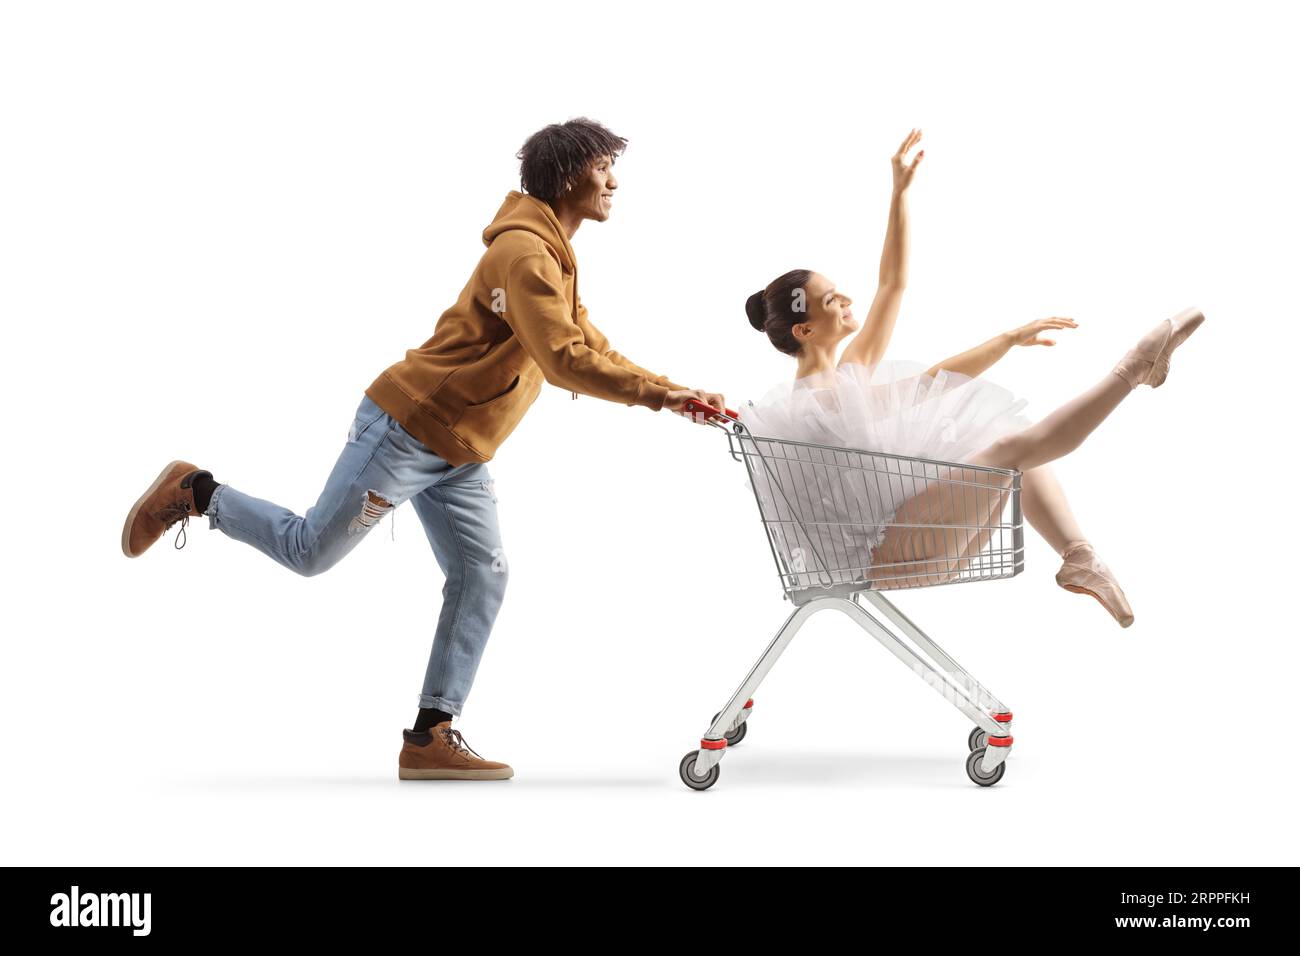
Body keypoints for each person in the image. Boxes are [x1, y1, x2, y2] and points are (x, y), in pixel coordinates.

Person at [120, 117, 727, 780]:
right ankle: (198, 492)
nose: (614, 180)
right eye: (604, 166)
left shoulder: (552, 255)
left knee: (482, 574)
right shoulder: (527, 256)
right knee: (308, 552)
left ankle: (430, 735)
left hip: (461, 447)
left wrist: (673, 390)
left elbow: (587, 342)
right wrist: (661, 399)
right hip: (408, 432)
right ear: (568, 175)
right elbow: (563, 360)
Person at [740, 128, 1203, 625]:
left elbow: (892, 286)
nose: (848, 301)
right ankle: (1133, 370)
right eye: (833, 301)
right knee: (1008, 452)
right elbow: (928, 383)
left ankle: (1079, 555)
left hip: (917, 538)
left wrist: (899, 194)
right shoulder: (815, 402)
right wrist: (1006, 340)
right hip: (886, 556)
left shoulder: (847, 372)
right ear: (805, 329)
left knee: (1003, 438)